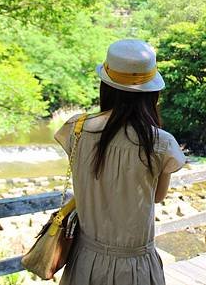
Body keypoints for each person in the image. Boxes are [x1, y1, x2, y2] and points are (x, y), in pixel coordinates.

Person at [55, 39, 186, 285]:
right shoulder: (160, 143)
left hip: (84, 262)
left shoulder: (77, 129)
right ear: (152, 93)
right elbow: (157, 196)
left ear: (106, 86)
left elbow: (88, 183)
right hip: (134, 268)